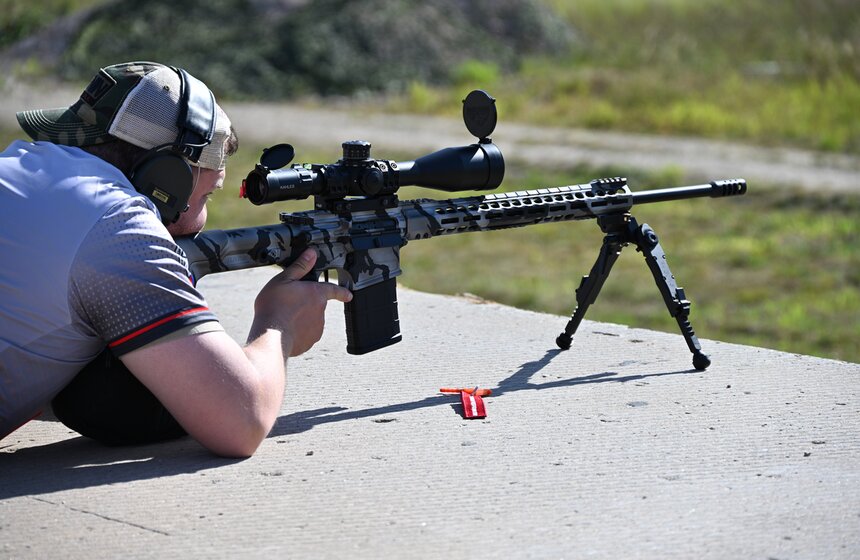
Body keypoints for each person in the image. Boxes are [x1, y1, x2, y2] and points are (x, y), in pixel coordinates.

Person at [0, 61, 352, 457]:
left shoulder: (15, 164)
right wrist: (279, 321)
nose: (203, 219)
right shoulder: (117, 227)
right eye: (206, 195)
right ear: (166, 178)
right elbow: (242, 421)